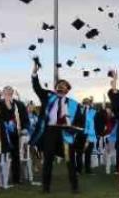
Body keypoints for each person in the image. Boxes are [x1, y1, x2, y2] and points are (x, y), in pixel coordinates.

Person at [29, 57, 83, 194]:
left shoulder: (74, 104)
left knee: (70, 161)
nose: (61, 86)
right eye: (59, 85)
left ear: (68, 90)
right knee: (48, 160)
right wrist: (35, 73)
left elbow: (79, 121)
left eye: (64, 85)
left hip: (66, 133)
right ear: (56, 88)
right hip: (50, 131)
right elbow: (37, 88)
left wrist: (74, 130)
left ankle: (75, 187)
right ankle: (46, 188)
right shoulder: (48, 96)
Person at [0, 85, 28, 185]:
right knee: (1, 155)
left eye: (10, 91)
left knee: (15, 156)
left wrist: (24, 128)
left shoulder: (19, 104)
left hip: (16, 133)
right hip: (3, 133)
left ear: (12, 92)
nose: (8, 93)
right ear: (3, 93)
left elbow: (24, 117)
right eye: (6, 91)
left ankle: (16, 178)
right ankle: (0, 178)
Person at [74, 97, 97, 175]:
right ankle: (78, 170)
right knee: (79, 154)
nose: (86, 104)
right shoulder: (79, 111)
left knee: (88, 154)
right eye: (85, 103)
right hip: (80, 135)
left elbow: (93, 125)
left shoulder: (93, 112)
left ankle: (88, 170)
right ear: (83, 103)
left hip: (90, 136)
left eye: (88, 103)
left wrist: (88, 138)